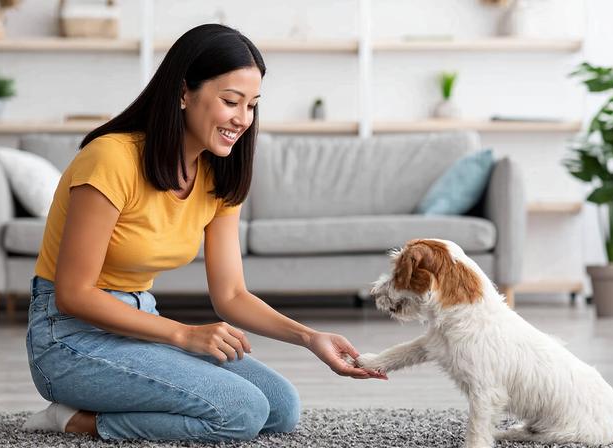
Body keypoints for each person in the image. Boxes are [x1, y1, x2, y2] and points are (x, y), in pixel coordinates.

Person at [22, 24, 384, 442]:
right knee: (242, 412)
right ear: (183, 93)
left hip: (139, 323)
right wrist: (184, 334)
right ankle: (73, 419)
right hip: (68, 338)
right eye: (231, 101)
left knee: (280, 407)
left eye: (251, 105)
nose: (242, 119)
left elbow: (230, 295)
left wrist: (309, 337)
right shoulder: (110, 159)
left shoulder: (218, 174)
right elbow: (74, 294)